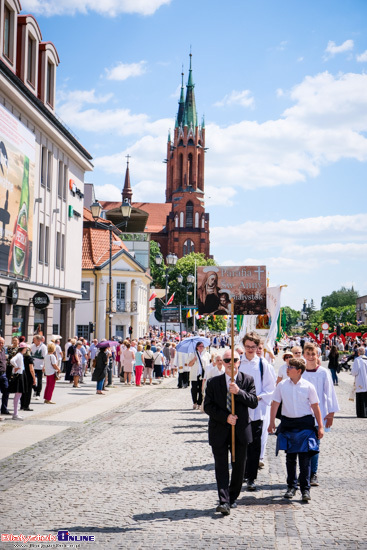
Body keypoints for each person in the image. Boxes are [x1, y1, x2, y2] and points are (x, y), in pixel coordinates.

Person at [204, 349, 258, 515]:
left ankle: (233, 496)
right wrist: (226, 417)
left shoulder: (247, 380)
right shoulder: (213, 382)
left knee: (239, 466)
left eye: (234, 360)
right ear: (222, 362)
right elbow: (207, 406)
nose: (230, 364)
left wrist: (239, 392)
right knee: (221, 466)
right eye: (227, 360)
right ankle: (224, 500)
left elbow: (254, 402)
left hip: (240, 431)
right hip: (219, 430)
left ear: (239, 362)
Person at [268, 358, 324, 502]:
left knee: (305, 459)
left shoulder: (308, 386)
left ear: (299, 371)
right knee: (290, 459)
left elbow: (316, 407)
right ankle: (291, 487)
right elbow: (275, 403)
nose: (287, 369)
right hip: (288, 424)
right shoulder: (281, 385)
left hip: (305, 424)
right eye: (287, 366)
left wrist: (321, 426)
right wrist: (271, 421)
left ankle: (305, 490)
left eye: (291, 367)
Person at [239, 332, 275, 491]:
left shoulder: (263, 365)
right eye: (247, 346)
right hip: (239, 410)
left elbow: (270, 388)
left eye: (253, 347)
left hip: (256, 410)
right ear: (243, 346)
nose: (250, 349)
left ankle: (251, 477)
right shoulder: (237, 363)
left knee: (254, 445)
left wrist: (257, 398)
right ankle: (240, 474)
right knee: (240, 445)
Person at [302, 342, 339, 487]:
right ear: (304, 355)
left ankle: (313, 474)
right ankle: (304, 472)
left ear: (318, 355)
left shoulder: (323, 372)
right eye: (308, 354)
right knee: (302, 445)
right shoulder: (300, 371)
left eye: (313, 354)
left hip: (319, 414)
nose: (311, 357)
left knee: (315, 445)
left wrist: (330, 413)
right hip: (302, 413)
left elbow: (330, 393)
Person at [9, 342, 29, 420]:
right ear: (23, 349)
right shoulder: (19, 355)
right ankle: (15, 413)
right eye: (26, 348)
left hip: (21, 374)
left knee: (18, 395)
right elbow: (12, 360)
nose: (26, 350)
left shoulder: (20, 355)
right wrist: (16, 366)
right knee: (18, 395)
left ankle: (16, 413)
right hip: (19, 375)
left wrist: (16, 367)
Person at [187, 342, 210, 410]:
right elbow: (189, 364)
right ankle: (194, 402)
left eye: (202, 346)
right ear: (197, 347)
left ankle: (199, 403)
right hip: (195, 374)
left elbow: (209, 364)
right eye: (200, 346)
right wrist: (193, 360)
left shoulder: (207, 354)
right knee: (194, 389)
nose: (201, 347)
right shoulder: (192, 354)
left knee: (201, 389)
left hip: (203, 374)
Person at [351, 346, 367, 417]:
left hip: (360, 380)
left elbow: (355, 371)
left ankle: (361, 413)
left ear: (358, 353)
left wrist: (352, 372)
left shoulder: (357, 360)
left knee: (360, 396)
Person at [31, 335, 47, 399]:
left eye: (34, 339)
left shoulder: (43, 347)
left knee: (39, 380)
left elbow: (45, 357)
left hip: (40, 365)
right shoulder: (32, 346)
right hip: (32, 365)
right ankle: (35, 389)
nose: (33, 340)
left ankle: (38, 393)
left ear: (38, 340)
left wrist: (44, 366)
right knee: (31, 379)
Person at [0, 337, 10, 416]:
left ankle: (4, 408)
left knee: (6, 391)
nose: (1, 344)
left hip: (3, 374)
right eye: (0, 342)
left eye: (2, 343)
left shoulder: (3, 350)